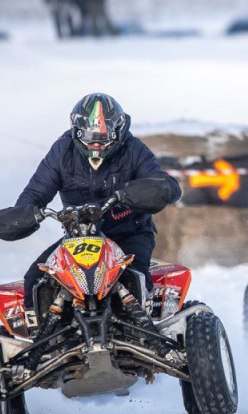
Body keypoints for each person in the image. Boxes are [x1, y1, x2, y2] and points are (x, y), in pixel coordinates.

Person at [15, 93, 181, 341]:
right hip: (79, 237)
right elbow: (35, 192)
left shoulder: (133, 149)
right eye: (90, 138)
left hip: (129, 231)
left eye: (102, 139)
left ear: (118, 131)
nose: (96, 145)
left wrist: (157, 189)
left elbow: (164, 183)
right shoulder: (62, 151)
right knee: (34, 280)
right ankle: (44, 342)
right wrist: (23, 214)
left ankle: (140, 336)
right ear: (77, 131)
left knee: (134, 274)